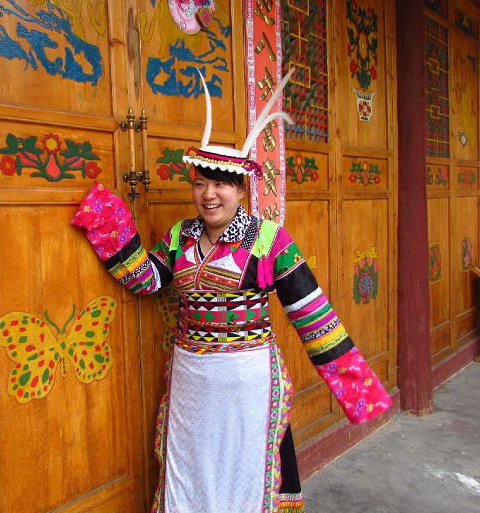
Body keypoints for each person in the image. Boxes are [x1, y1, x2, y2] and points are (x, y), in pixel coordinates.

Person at [72, 70, 392, 513]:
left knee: (245, 472)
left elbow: (314, 316)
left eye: (220, 183)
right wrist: (106, 222)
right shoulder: (181, 236)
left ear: (241, 189)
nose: (209, 194)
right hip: (191, 381)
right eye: (200, 183)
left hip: (248, 382)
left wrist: (356, 389)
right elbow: (148, 280)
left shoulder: (270, 241)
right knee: (189, 469)